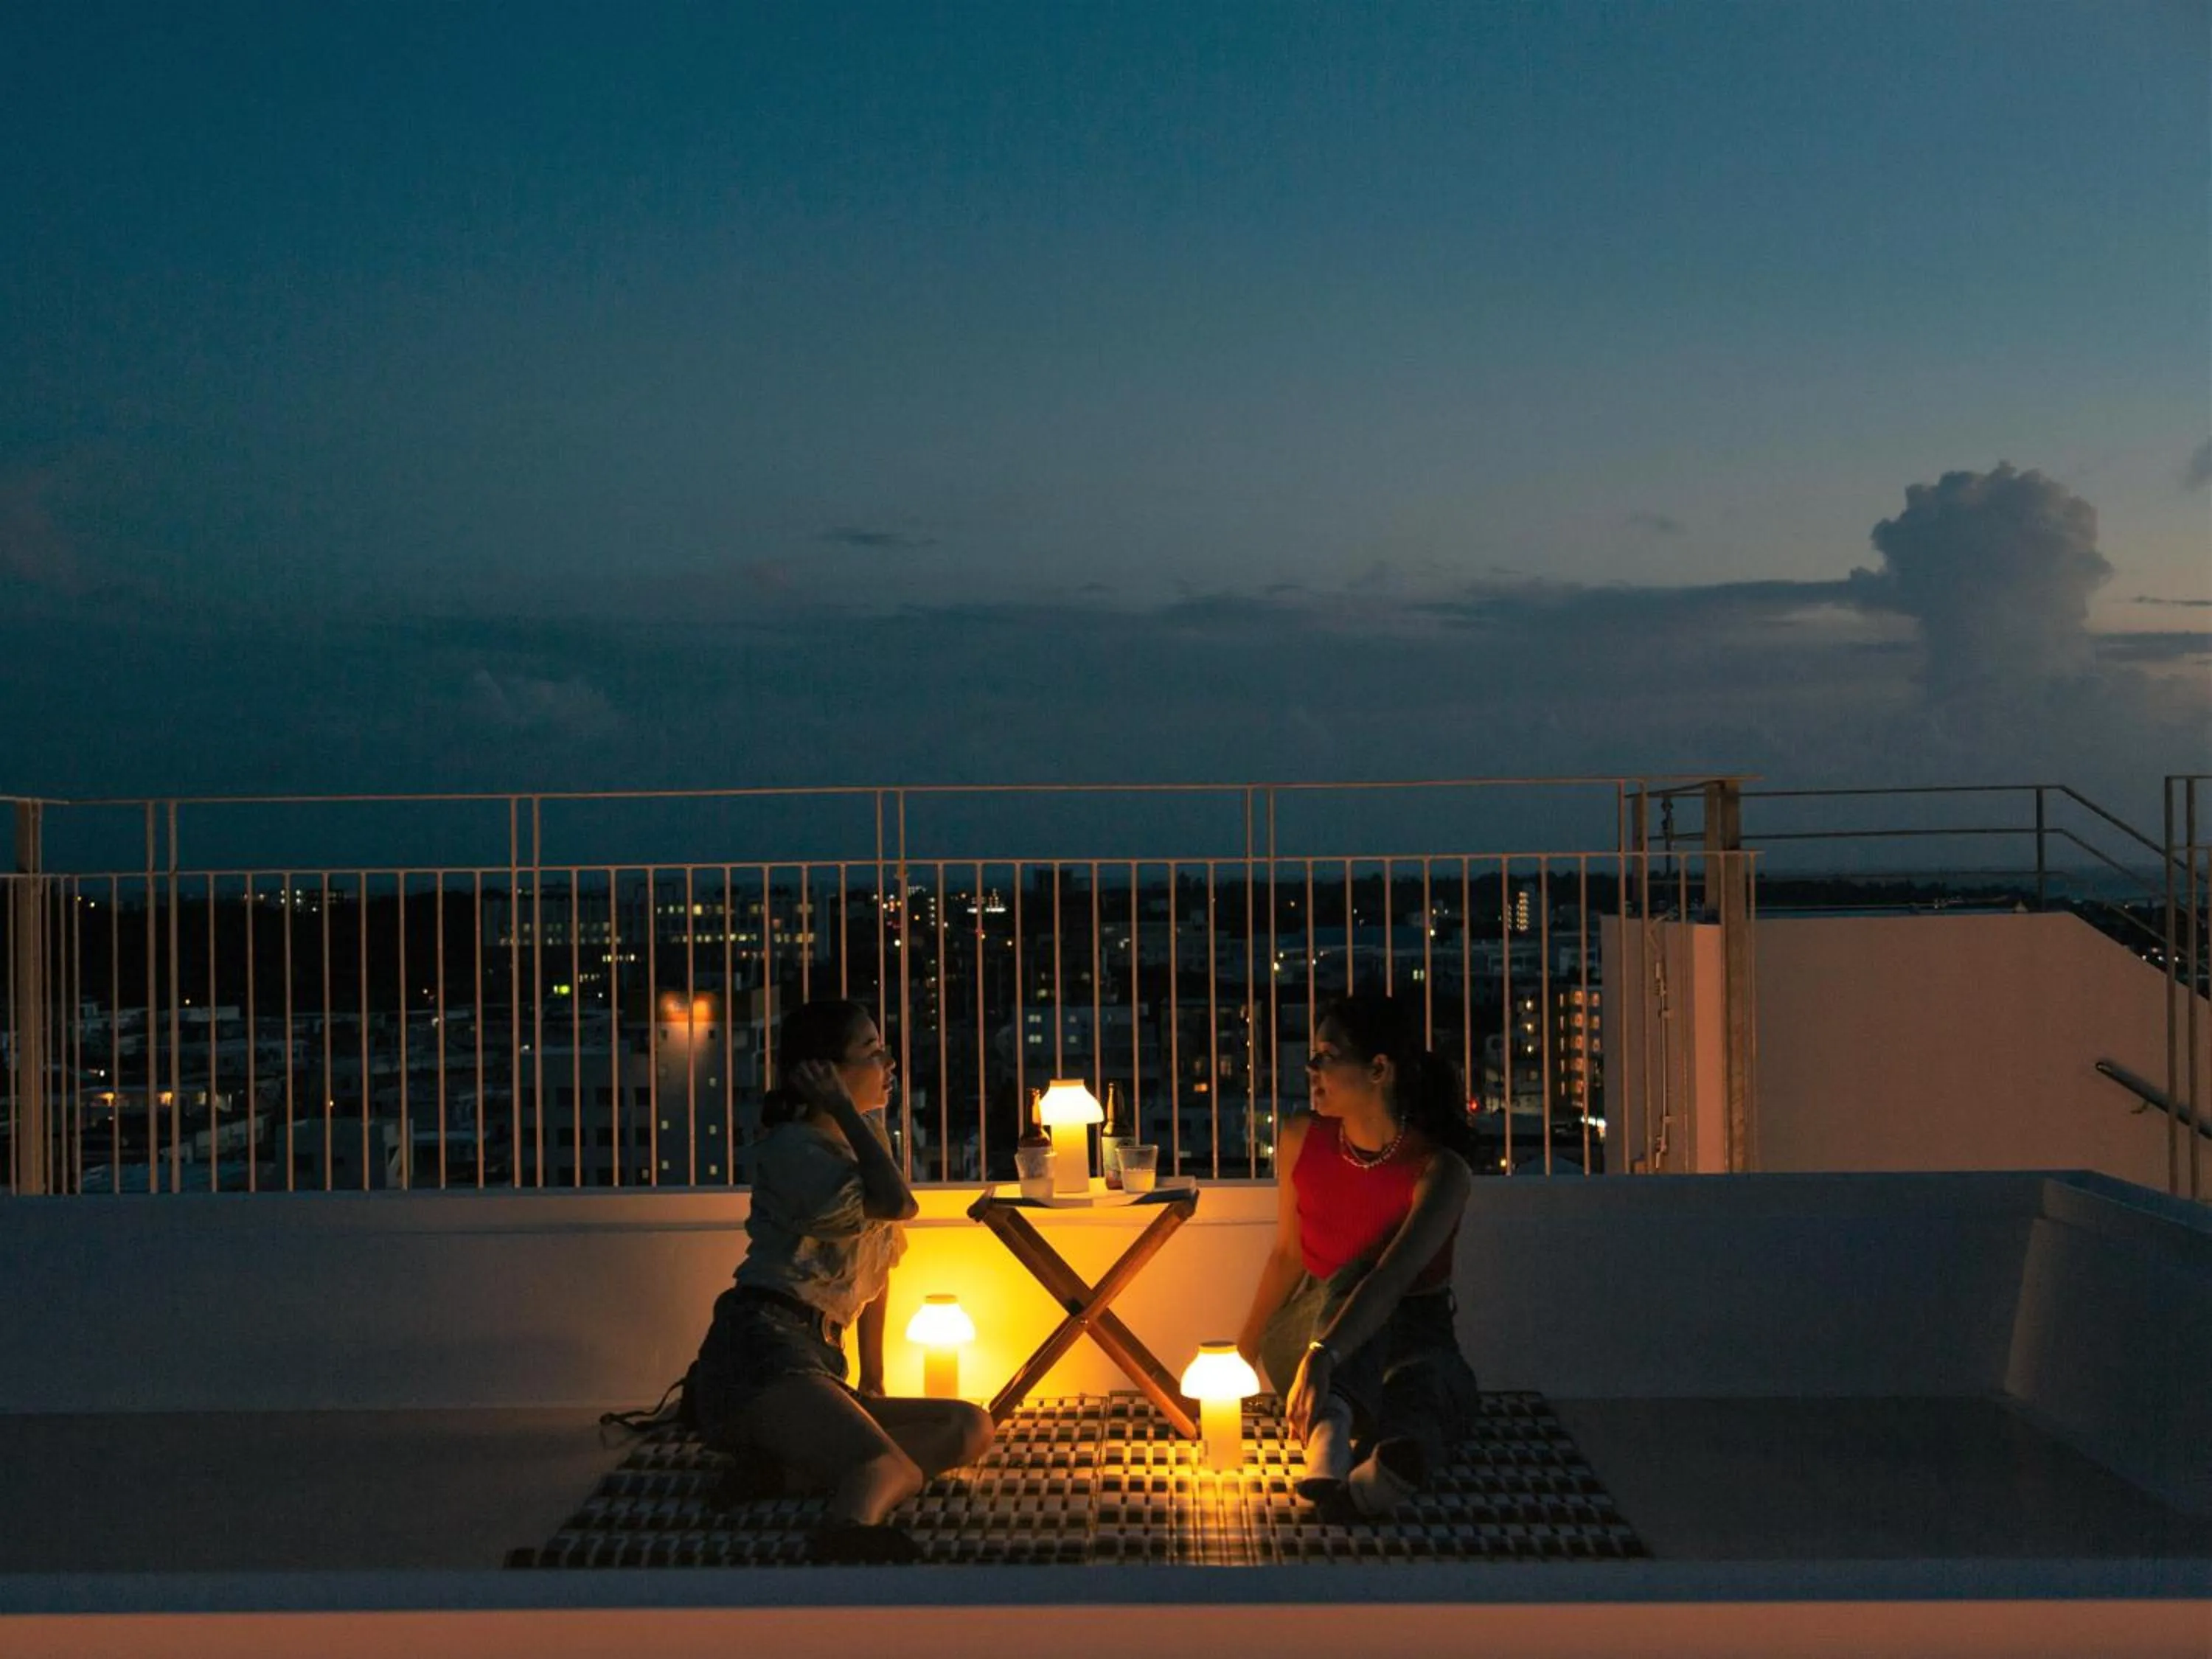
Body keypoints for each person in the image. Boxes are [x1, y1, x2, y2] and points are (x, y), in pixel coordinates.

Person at [686, 998, 994, 1563]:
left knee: (969, 1426)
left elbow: (876, 1271)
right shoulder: (795, 1150)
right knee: (886, 1464)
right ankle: (846, 1533)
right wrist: (846, 1110)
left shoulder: (864, 1143)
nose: (889, 1063)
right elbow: (898, 1205)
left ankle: (783, 1475)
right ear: (824, 1073)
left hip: (819, 1359)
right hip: (760, 1350)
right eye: (872, 1051)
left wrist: (874, 1379)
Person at [1235, 993, 1481, 1517]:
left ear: (1378, 1070)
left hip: (1412, 1329)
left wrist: (1329, 1355)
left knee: (1433, 1391)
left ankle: (1374, 1477)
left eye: (1327, 1055)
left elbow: (1394, 1280)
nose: (1311, 1068)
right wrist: (1243, 1358)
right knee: (1359, 1278)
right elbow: (1287, 1256)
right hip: (1307, 1327)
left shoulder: (1441, 1172)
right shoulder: (1301, 1138)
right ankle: (1331, 1429)